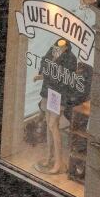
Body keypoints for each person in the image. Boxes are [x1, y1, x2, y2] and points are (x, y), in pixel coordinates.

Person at [32, 38, 77, 175]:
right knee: (49, 124)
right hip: (48, 92)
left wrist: (50, 74)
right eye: (58, 46)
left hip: (58, 95)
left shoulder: (71, 58)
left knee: (53, 125)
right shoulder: (53, 50)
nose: (59, 48)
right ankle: (49, 157)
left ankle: (59, 163)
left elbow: (66, 79)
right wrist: (40, 76)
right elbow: (45, 65)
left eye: (62, 47)